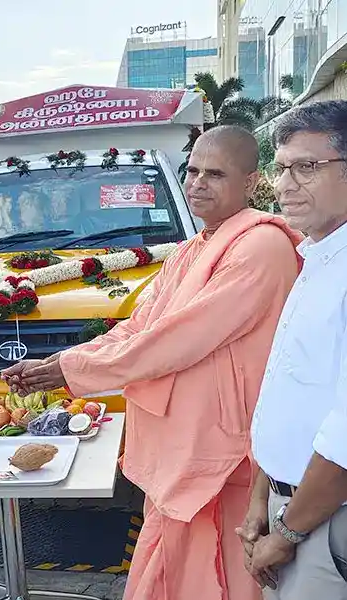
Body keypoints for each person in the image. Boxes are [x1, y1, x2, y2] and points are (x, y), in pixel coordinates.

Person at [1, 126, 303, 600]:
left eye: (216, 174)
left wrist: (75, 372)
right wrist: (65, 360)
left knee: (218, 574)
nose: (199, 182)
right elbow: (139, 326)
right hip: (180, 442)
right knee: (168, 569)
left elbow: (176, 339)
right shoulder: (190, 249)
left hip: (224, 449)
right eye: (193, 171)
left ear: (251, 183)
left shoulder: (260, 248)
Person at [242, 101, 347, 599]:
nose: (285, 184)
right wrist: (262, 497)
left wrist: (287, 533)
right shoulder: (317, 256)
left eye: (307, 167)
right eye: (281, 167)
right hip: (291, 510)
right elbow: (286, 389)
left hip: (326, 524)